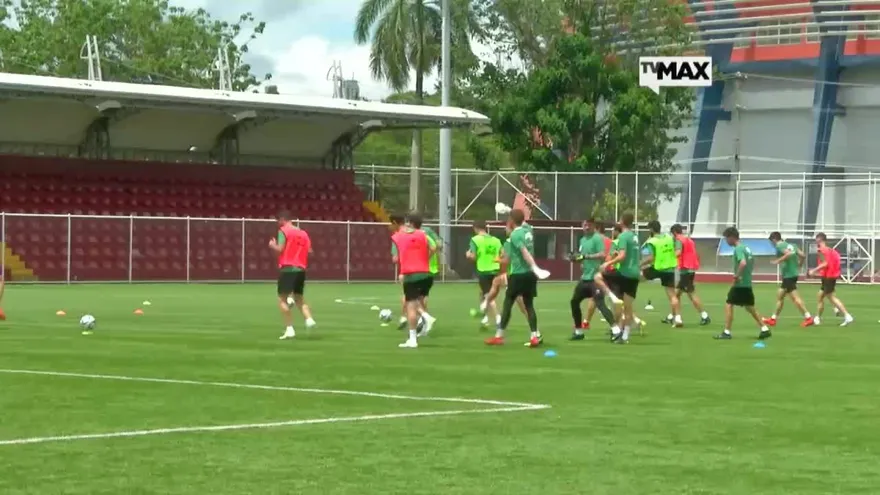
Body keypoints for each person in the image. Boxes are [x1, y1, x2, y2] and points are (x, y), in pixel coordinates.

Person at [484, 209, 549, 348]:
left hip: (519, 273)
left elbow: (524, 252)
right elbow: (511, 255)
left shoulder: (515, 235)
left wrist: (535, 266)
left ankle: (499, 336)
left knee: (508, 303)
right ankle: (534, 336)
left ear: (512, 221)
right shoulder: (528, 230)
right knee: (529, 305)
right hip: (530, 276)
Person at [715, 227, 771, 340]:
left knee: (729, 304)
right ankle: (764, 329)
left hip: (740, 284)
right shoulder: (747, 248)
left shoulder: (738, 249)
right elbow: (750, 263)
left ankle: (727, 332)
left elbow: (743, 263)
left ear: (731, 237)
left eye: (727, 238)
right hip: (747, 283)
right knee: (749, 307)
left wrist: (737, 275)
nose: (726, 241)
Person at [391, 214, 437, 349]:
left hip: (411, 274)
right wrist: (424, 259)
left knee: (410, 306)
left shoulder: (398, 236)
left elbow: (396, 257)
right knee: (418, 300)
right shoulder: (423, 234)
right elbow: (434, 247)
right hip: (426, 274)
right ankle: (424, 317)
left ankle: (413, 338)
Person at [268, 211, 316, 340]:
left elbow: (280, 249)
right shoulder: (303, 233)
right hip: (301, 268)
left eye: (278, 221)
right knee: (299, 297)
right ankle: (309, 319)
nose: (278, 224)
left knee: (282, 299)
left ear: (283, 219)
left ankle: (289, 329)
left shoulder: (284, 231)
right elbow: (310, 251)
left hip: (288, 268)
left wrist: (273, 246)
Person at [569, 219, 619, 340]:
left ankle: (616, 331)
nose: (586, 227)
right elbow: (582, 258)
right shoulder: (582, 240)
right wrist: (576, 259)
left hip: (595, 278)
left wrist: (586, 256)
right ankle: (579, 331)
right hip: (585, 278)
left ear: (593, 227)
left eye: (588, 225)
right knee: (574, 302)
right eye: (584, 225)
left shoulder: (597, 238)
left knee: (600, 304)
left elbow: (602, 254)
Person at [600, 213, 640, 343]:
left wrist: (608, 263)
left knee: (597, 277)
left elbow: (622, 256)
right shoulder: (635, 236)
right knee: (628, 307)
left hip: (624, 273)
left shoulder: (623, 236)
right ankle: (625, 336)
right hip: (635, 274)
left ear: (622, 221)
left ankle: (611, 295)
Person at [763, 232, 812, 328]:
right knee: (780, 295)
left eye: (771, 242)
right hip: (792, 274)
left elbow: (788, 254)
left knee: (795, 298)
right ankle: (773, 319)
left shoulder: (779, 246)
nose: (772, 244)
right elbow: (802, 255)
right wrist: (799, 265)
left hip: (789, 275)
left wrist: (778, 261)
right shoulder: (792, 245)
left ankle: (808, 317)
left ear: (774, 240)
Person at [641, 220, 681, 327]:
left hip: (658, 268)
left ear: (651, 229)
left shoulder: (652, 241)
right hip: (670, 269)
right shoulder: (668, 237)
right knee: (672, 295)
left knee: (637, 276)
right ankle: (678, 318)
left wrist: (639, 264)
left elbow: (651, 258)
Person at [808, 233, 853, 326]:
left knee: (831, 297)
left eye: (816, 239)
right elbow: (836, 262)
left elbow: (825, 264)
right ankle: (818, 318)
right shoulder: (832, 251)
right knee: (820, 295)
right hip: (831, 276)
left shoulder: (821, 250)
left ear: (819, 240)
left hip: (828, 276)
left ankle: (847, 315)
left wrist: (813, 270)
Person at [670, 224, 710, 325]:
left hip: (685, 270)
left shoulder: (679, 240)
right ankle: (672, 316)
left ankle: (704, 316)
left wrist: (669, 258)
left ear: (674, 232)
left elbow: (678, 252)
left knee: (690, 294)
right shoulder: (689, 240)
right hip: (690, 269)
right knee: (677, 294)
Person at [466, 220, 503, 328]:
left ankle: (498, 318)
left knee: (488, 296)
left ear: (475, 228)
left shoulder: (475, 240)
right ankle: (485, 317)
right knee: (483, 293)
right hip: (495, 270)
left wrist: (468, 255)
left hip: (484, 271)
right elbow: (502, 254)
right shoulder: (496, 240)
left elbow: (473, 256)